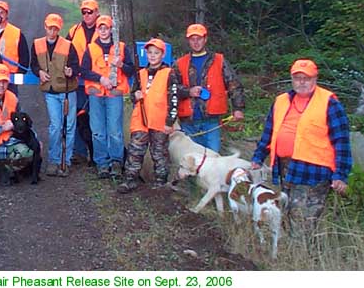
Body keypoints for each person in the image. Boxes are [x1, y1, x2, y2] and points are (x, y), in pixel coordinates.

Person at [251, 59, 351, 229]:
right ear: (292, 79)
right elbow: (269, 133)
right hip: (286, 167)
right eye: (298, 78)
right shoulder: (281, 101)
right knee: (287, 210)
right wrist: (258, 157)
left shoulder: (329, 103)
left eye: (306, 78)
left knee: (303, 219)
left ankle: (304, 253)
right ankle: (292, 252)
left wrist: (340, 174)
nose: (302, 82)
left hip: (314, 171)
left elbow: (341, 141)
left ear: (315, 79)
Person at [117, 38, 179, 194]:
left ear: (162, 54)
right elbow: (132, 95)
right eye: (150, 52)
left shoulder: (169, 73)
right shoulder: (140, 73)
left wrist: (170, 122)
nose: (152, 56)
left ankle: (160, 182)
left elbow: (174, 99)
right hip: (141, 120)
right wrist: (135, 95)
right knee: (135, 151)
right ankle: (130, 180)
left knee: (159, 154)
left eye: (156, 53)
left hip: (160, 121)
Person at [80, 15, 136, 179]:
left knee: (115, 131)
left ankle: (116, 162)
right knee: (98, 131)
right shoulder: (90, 48)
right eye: (100, 28)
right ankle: (102, 164)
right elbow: (83, 71)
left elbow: (131, 70)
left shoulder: (121, 47)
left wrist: (121, 65)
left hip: (114, 94)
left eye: (106, 28)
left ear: (111, 29)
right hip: (96, 95)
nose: (103, 31)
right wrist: (100, 79)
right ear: (97, 30)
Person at [174, 23, 245, 151]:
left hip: (211, 121)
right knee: (192, 163)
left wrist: (238, 108)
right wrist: (188, 91)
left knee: (213, 159)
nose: (196, 42)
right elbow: (172, 89)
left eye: (199, 38)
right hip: (188, 122)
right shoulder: (180, 63)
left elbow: (234, 84)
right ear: (188, 41)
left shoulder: (219, 60)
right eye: (192, 39)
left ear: (205, 39)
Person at [30, 13, 79, 177]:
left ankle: (67, 161)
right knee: (55, 127)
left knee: (69, 127)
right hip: (50, 92)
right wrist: (39, 73)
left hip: (68, 91)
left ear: (59, 29)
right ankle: (54, 160)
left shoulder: (68, 45)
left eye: (55, 29)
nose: (52, 31)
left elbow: (75, 66)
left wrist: (71, 71)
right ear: (45, 26)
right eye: (50, 28)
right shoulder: (36, 44)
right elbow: (33, 64)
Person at [66, 0, 100, 161]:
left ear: (97, 12)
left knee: (96, 117)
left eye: (90, 12)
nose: (86, 15)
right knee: (78, 116)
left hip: (98, 82)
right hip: (78, 82)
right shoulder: (74, 31)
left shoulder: (105, 29)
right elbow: (64, 51)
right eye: (84, 12)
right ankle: (79, 152)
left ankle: (98, 154)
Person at [0, 0, 29, 94]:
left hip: (10, 78)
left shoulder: (17, 33)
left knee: (10, 106)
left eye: (2, 12)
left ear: (6, 14)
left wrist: (18, 74)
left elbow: (24, 57)